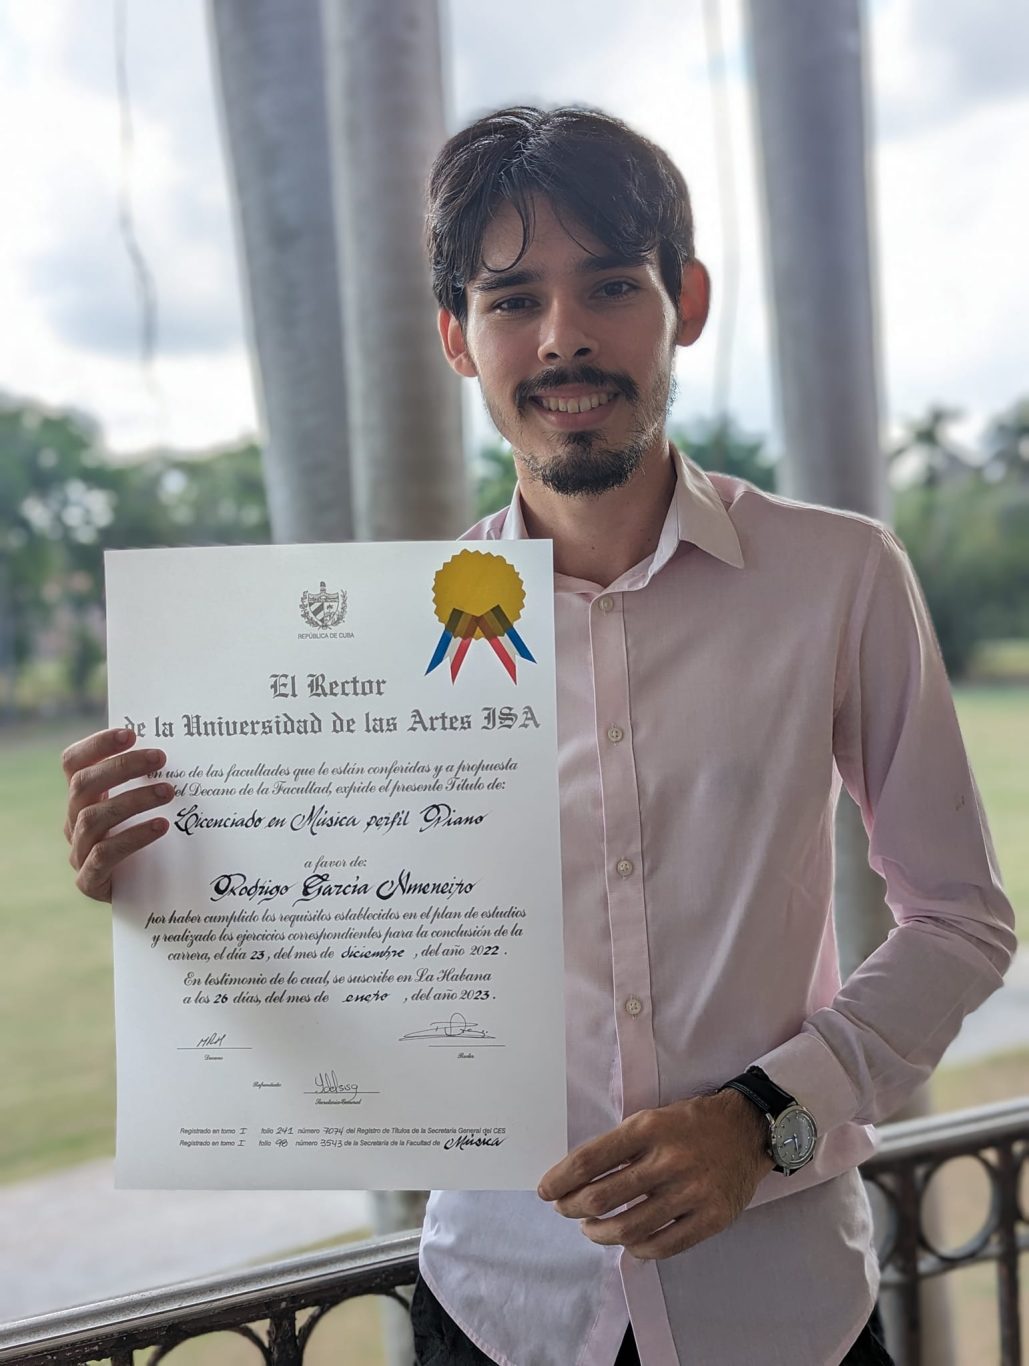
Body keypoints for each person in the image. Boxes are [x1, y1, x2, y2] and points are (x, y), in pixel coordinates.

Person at [61, 106, 1015, 1366]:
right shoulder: (373, 653)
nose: (563, 335)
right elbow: (343, 943)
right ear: (459, 338)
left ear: (687, 299)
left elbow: (962, 917)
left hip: (785, 1309)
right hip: (500, 1312)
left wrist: (766, 1118)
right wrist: (163, 883)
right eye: (512, 299)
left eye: (611, 285)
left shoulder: (838, 575)